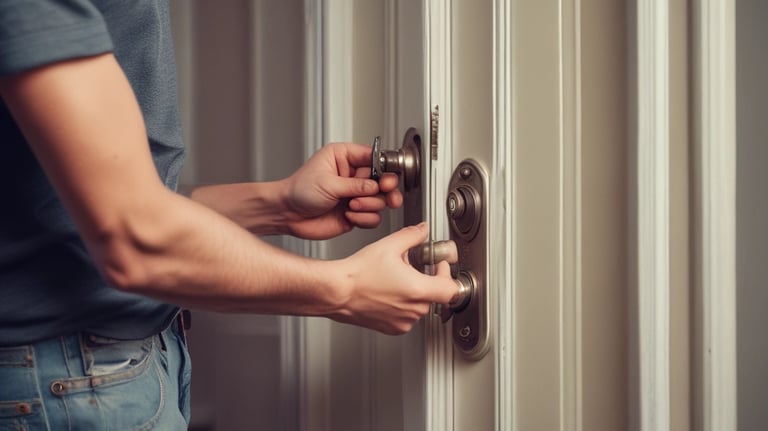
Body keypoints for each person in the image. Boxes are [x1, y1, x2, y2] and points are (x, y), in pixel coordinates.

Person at [0, 1, 458, 429]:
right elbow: (131, 237)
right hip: (66, 384)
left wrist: (276, 204)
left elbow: (102, 199)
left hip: (117, 362)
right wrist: (346, 290)